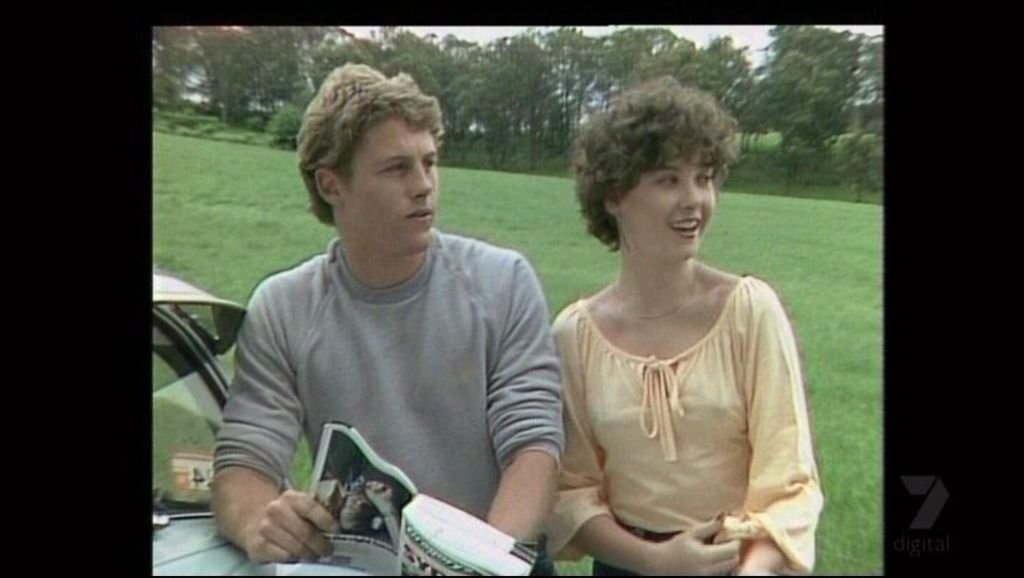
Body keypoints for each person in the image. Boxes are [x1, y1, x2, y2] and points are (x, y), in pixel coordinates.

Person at [210, 63, 563, 574]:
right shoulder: (284, 308)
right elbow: (244, 461)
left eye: (430, 163)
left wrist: (476, 563)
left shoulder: (503, 282)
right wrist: (259, 524)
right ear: (331, 184)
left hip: (496, 555)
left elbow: (533, 448)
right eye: (397, 168)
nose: (424, 186)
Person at [547, 77, 824, 576]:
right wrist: (655, 560)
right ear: (613, 195)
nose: (695, 199)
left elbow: (790, 484)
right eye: (668, 179)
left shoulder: (750, 311)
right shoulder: (575, 335)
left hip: (742, 564)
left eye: (705, 177)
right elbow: (573, 491)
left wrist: (752, 570)